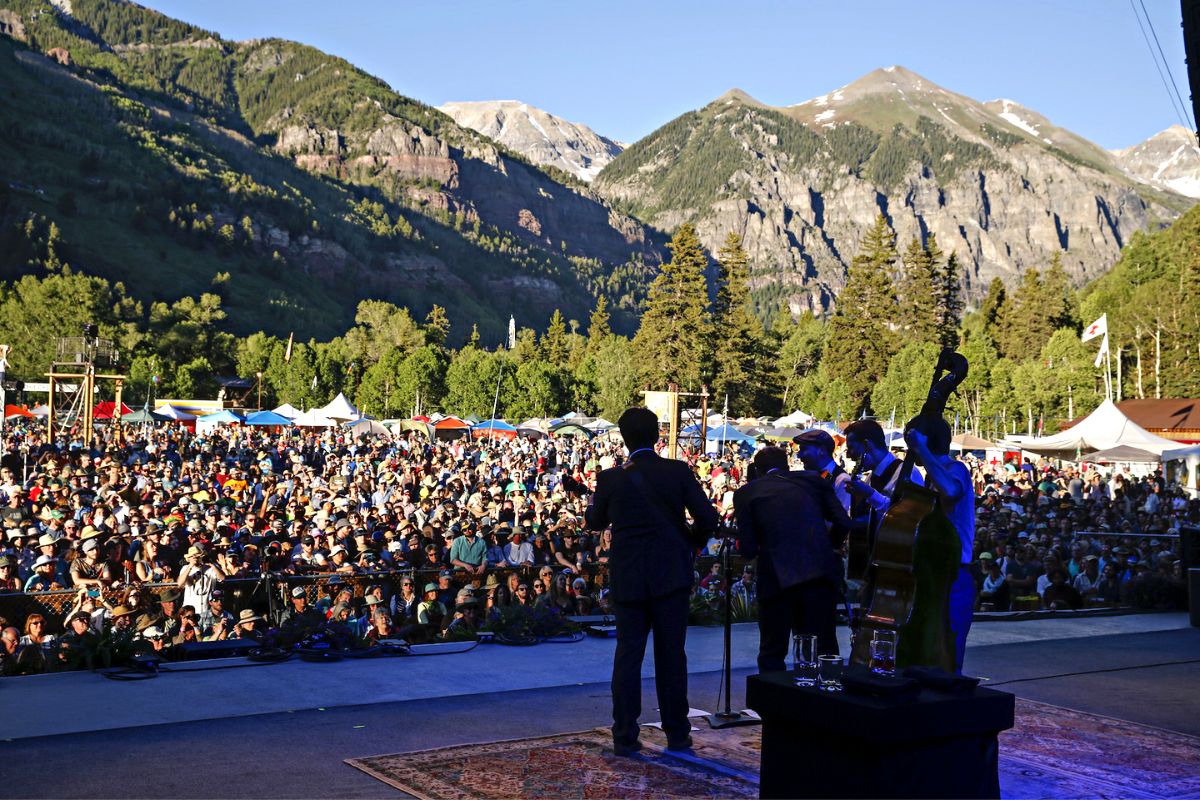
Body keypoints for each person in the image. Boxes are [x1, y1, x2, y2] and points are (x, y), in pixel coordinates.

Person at [585, 407, 719, 757]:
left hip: (629, 577)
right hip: (670, 576)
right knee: (671, 656)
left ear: (624, 438)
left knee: (628, 655)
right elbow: (708, 517)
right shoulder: (676, 472)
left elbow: (594, 521)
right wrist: (691, 542)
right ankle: (677, 733)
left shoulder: (611, 478)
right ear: (657, 436)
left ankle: (625, 736)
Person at [733, 446, 854, 670]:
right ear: (788, 465)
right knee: (822, 646)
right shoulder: (814, 481)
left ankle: (773, 703)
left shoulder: (747, 493)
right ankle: (824, 699)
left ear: (757, 470)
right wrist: (830, 547)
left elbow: (748, 550)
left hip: (777, 578)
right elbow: (844, 522)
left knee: (772, 650)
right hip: (820, 573)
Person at [904, 415, 976, 673]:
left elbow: (951, 492)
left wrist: (920, 447)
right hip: (933, 574)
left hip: (955, 574)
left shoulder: (955, 469)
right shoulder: (931, 476)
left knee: (949, 650)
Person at [793, 429, 852, 513]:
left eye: (804, 449)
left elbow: (841, 520)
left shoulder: (842, 480)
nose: (799, 455)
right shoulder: (811, 476)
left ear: (822, 450)